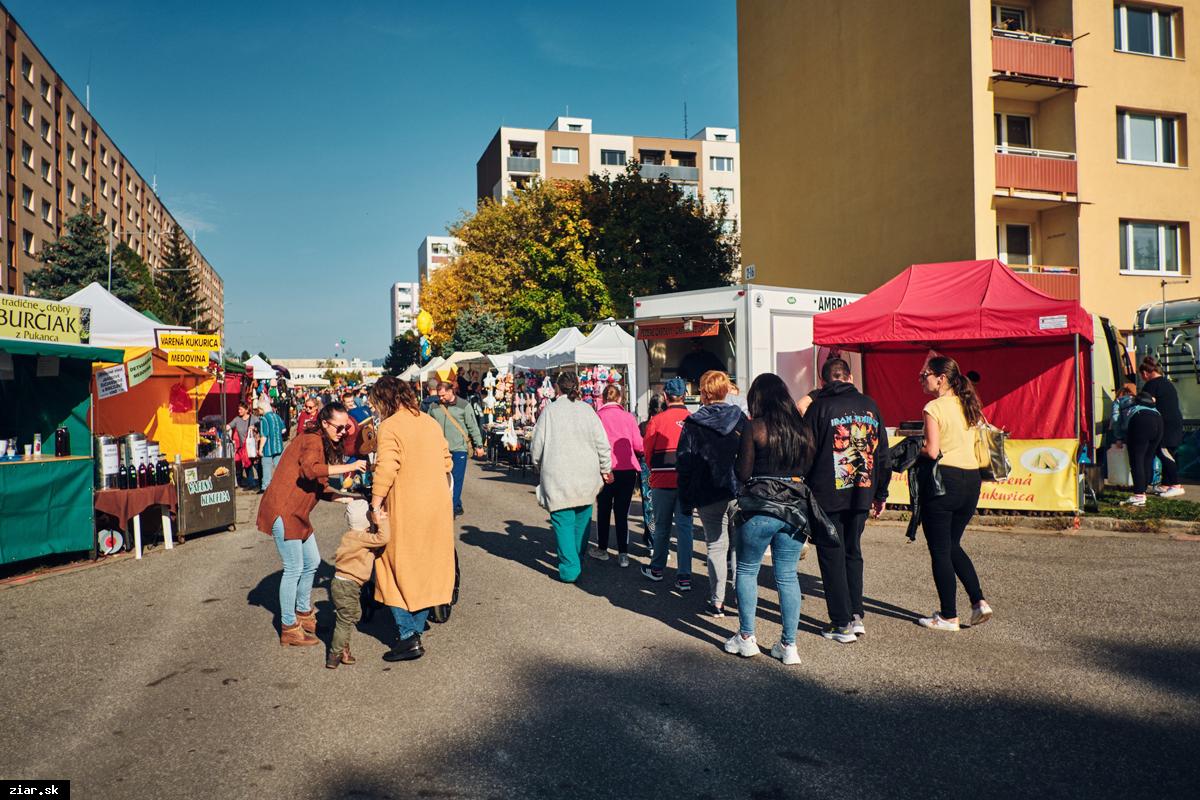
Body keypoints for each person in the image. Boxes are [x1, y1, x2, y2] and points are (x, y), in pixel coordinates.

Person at [255, 402, 367, 646]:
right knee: (294, 567)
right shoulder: (312, 439)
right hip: (284, 511)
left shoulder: (324, 441)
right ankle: (288, 627)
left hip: (298, 513)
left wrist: (349, 498)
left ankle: (304, 614)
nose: (343, 432)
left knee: (313, 561)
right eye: (339, 428)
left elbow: (320, 486)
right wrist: (350, 466)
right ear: (325, 423)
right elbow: (310, 471)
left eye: (346, 428)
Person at [727, 373, 814, 665]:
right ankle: (789, 645)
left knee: (748, 569)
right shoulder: (803, 430)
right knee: (787, 576)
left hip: (760, 506)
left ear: (758, 399)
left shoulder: (755, 428)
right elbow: (809, 470)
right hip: (795, 509)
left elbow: (742, 472)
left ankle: (747, 638)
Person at [369, 376, 455, 662]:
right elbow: (447, 461)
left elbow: (386, 468)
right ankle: (413, 631)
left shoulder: (390, 426)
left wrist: (375, 503)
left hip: (406, 506)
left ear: (385, 400)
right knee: (425, 567)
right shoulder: (429, 423)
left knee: (392, 565)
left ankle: (408, 636)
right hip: (436, 505)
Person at [803, 358, 890, 641]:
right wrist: (881, 493)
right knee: (853, 552)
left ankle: (840, 624)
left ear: (823, 382)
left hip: (828, 494)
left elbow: (806, 453)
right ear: (850, 377)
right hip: (862, 493)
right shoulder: (870, 405)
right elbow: (882, 454)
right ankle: (855, 614)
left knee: (831, 555)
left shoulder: (818, 408)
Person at [916, 356, 993, 631]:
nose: (922, 379)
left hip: (944, 480)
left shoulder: (933, 407)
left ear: (941, 378)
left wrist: (916, 449)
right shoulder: (970, 405)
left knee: (939, 550)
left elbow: (933, 450)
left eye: (925, 374)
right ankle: (978, 601)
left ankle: (949, 615)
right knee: (953, 544)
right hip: (971, 481)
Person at [531, 372, 613, 583]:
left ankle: (570, 566)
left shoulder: (549, 411)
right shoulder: (588, 411)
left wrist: (538, 465)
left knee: (563, 522)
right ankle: (576, 559)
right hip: (586, 475)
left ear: (557, 388)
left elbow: (536, 447)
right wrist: (606, 468)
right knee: (582, 520)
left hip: (558, 475)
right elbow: (602, 443)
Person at [677, 370, 747, 617]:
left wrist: (685, 499)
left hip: (707, 491)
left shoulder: (693, 423)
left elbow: (684, 463)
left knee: (716, 546)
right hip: (738, 488)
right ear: (726, 389)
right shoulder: (741, 419)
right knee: (740, 546)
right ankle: (742, 597)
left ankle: (717, 601)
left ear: (703, 392)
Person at [641, 378, 696, 591]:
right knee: (685, 528)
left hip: (661, 480)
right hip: (685, 481)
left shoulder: (657, 420)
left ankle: (657, 569)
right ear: (684, 396)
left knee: (662, 526)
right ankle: (684, 577)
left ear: (665, 396)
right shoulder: (693, 419)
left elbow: (648, 453)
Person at [327, 499, 390, 669]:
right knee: (345, 620)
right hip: (348, 585)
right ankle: (335, 654)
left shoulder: (350, 536)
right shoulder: (362, 537)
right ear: (367, 520)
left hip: (341, 583)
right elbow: (383, 538)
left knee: (352, 615)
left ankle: (343, 649)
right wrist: (382, 520)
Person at [591, 384, 643, 567]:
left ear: (604, 399)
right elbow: (639, 446)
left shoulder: (597, 417)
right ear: (620, 399)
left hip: (605, 469)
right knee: (622, 512)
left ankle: (602, 549)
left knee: (603, 509)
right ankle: (623, 554)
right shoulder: (629, 417)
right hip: (627, 469)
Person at [429, 381, 486, 517]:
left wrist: (479, 445)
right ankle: (456, 504)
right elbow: (428, 426)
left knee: (456, 479)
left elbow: (472, 426)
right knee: (442, 480)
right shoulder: (434, 406)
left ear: (450, 392)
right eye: (439, 396)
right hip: (440, 449)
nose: (440, 398)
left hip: (459, 448)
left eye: (443, 395)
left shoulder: (464, 406)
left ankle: (451, 509)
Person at [1139, 356, 1185, 498]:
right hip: (1176, 423)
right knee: (1169, 453)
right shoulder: (1167, 383)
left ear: (1146, 373)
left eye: (1142, 376)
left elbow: (1148, 403)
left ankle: (1176, 485)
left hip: (1165, 425)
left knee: (1163, 452)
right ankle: (1165, 485)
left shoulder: (1151, 385)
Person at [1115, 389, 1163, 507]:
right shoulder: (1149, 403)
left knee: (1137, 460)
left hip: (1140, 420)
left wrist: (1118, 437)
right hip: (1158, 420)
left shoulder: (1119, 400)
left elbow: (1116, 419)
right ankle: (1143, 490)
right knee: (1148, 458)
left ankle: (1138, 495)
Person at [638, 394, 666, 549]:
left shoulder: (643, 426)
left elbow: (638, 449)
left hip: (646, 470)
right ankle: (658, 542)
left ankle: (652, 540)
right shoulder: (666, 424)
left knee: (649, 507)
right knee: (664, 508)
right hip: (665, 469)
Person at [229, 402, 261, 490]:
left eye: (241, 409)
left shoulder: (253, 418)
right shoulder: (237, 419)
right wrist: (224, 427)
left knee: (256, 464)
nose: (239, 411)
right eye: (238, 409)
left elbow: (260, 427)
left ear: (246, 410)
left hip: (253, 446)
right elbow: (229, 425)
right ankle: (251, 483)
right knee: (247, 464)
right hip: (243, 447)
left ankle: (262, 482)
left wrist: (254, 428)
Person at [257, 396, 286, 492]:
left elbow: (264, 435)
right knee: (279, 466)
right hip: (278, 446)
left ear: (262, 409)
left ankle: (266, 486)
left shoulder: (264, 419)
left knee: (266, 465)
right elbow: (283, 430)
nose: (258, 411)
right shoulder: (276, 416)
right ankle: (282, 484)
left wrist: (260, 449)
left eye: (258, 409)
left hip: (268, 447)